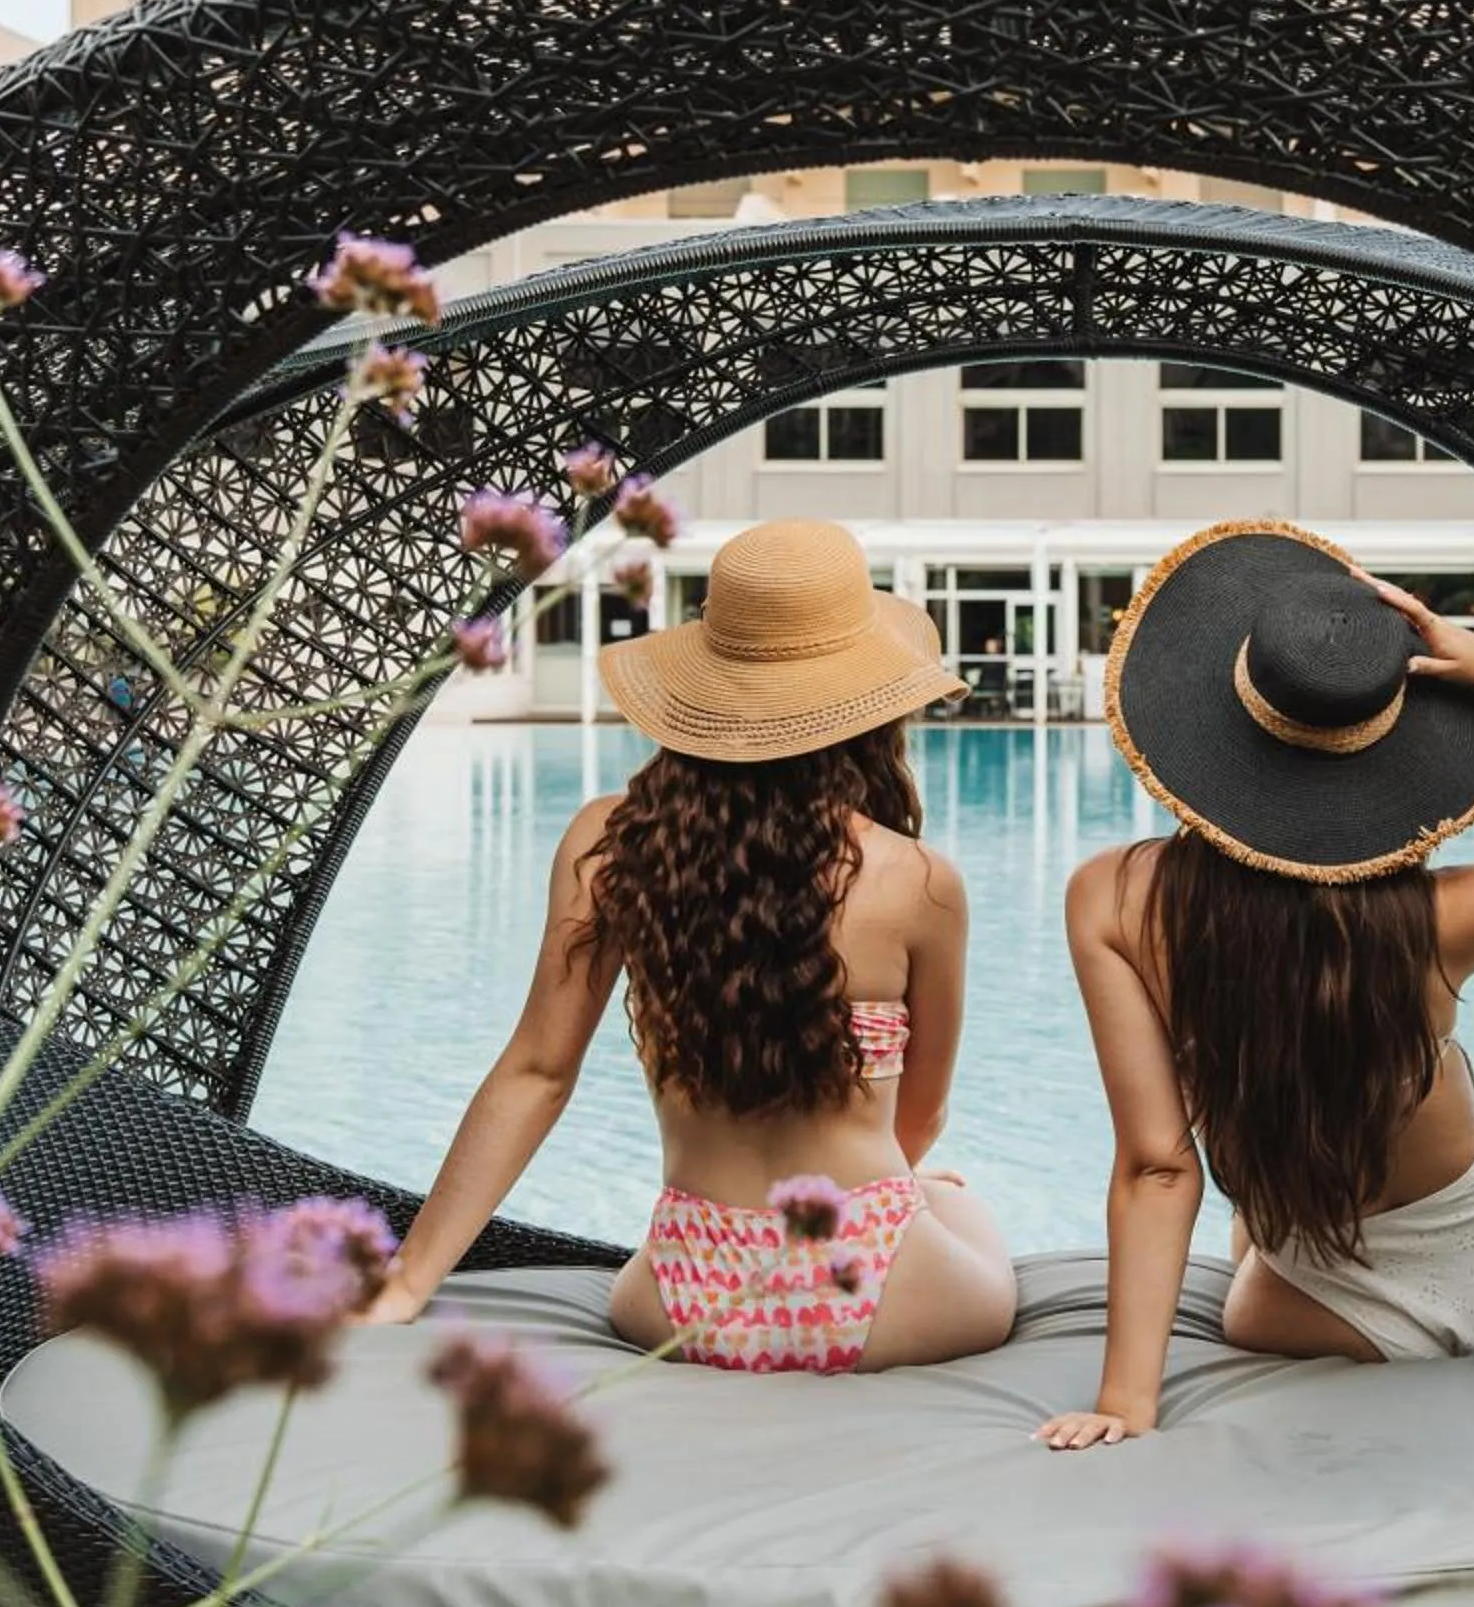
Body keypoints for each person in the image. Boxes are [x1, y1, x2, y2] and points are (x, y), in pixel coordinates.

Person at [365, 519, 1019, 1374]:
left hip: (687, 1295)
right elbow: (921, 1116)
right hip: (883, 1283)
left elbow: (537, 1072)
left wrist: (407, 1283)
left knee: (909, 1194)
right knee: (959, 1203)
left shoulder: (611, 843)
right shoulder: (917, 881)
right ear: (870, 710)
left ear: (708, 691)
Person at [1039, 521, 1474, 1448]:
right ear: (1390, 750)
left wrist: (1125, 1402)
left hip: (1309, 1310)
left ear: (1202, 736)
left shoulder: (1114, 901)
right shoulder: (1437, 920)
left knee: (1252, 1244)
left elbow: (1158, 1164)